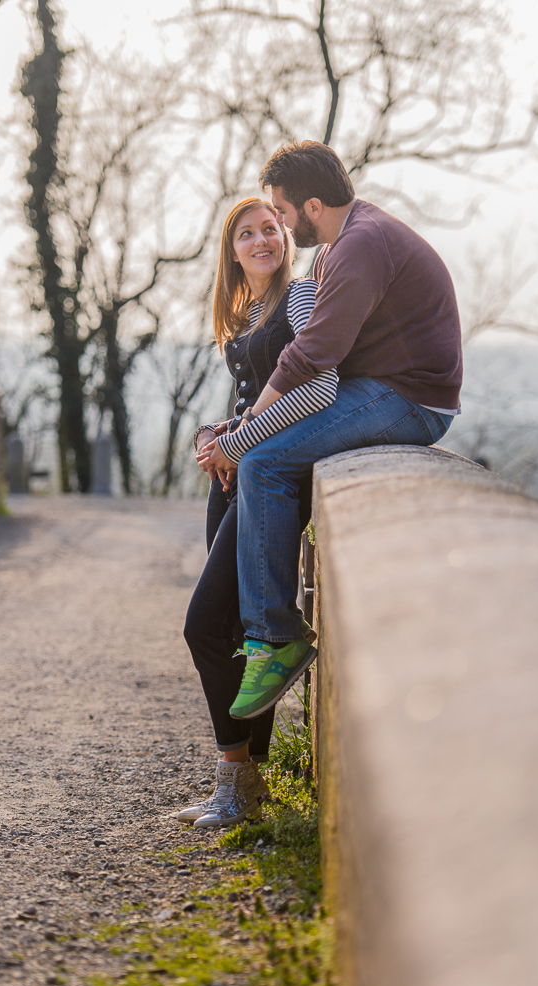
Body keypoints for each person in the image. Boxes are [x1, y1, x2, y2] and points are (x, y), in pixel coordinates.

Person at [200, 141, 463, 719]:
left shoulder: (359, 246)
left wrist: (242, 438)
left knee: (264, 464)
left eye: (284, 213)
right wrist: (237, 426)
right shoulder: (350, 242)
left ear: (311, 205)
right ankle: (269, 633)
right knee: (262, 452)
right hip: (384, 387)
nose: (283, 226)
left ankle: (275, 636)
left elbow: (314, 355)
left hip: (410, 398)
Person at [178, 197, 338, 829]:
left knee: (203, 625)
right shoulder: (243, 312)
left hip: (268, 485)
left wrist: (237, 441)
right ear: (232, 250)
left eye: (270, 228)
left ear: (285, 237)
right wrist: (219, 430)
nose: (262, 239)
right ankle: (247, 783)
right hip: (234, 483)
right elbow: (256, 397)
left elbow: (316, 389)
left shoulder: (299, 299)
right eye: (247, 234)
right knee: (242, 634)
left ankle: (234, 781)